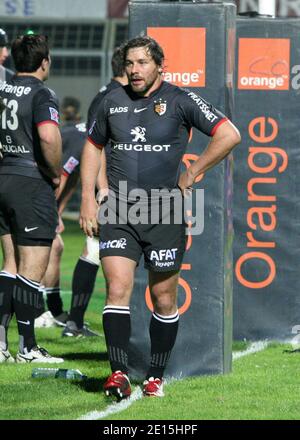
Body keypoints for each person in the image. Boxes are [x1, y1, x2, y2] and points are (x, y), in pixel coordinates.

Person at [79, 35, 241, 399]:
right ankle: (118, 374)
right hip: (119, 208)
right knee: (117, 289)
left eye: (141, 63)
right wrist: (89, 200)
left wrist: (193, 171)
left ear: (159, 65)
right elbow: (92, 147)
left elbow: (229, 134)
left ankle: (155, 376)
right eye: (130, 64)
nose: (134, 70)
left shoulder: (181, 100)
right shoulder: (111, 101)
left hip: (164, 210)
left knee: (163, 298)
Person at [0, 34, 63, 363]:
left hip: (3, 176)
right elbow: (48, 136)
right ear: (44, 62)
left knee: (9, 264)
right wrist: (54, 173)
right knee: (31, 269)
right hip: (29, 180)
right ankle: (27, 347)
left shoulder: (4, 89)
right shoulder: (42, 93)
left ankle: (0, 344)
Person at [62, 46, 128, 337]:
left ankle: (75, 322)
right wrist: (101, 191)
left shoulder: (107, 94)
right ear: (126, 67)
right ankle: (74, 321)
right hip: (111, 187)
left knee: (96, 251)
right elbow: (95, 148)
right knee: (93, 250)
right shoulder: (110, 98)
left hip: (114, 185)